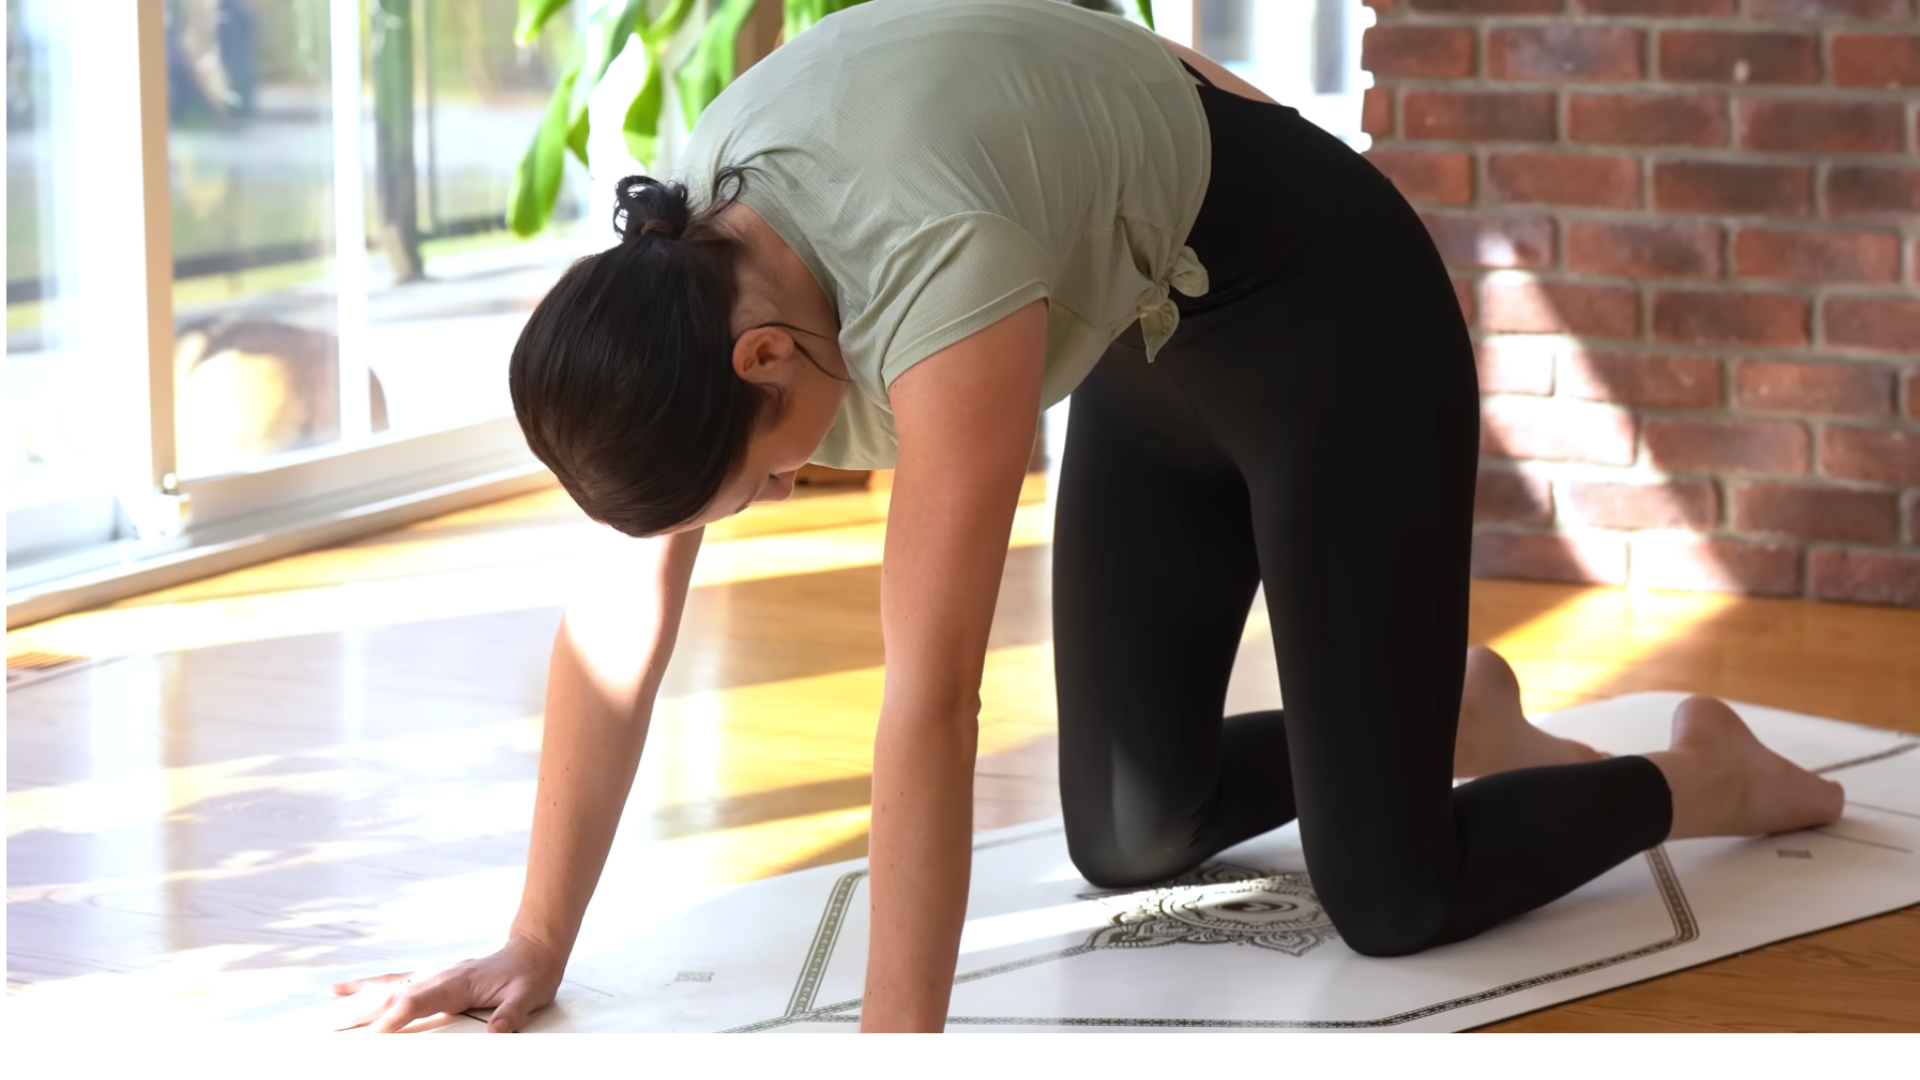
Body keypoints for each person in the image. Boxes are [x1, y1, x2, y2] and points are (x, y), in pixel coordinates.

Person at [335, 0, 1844, 1033]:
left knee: (1389, 893)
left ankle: (1692, 775)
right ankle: (1437, 716)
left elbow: (924, 707)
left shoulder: (935, 271)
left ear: (765, 359)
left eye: (771, 468)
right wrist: (536, 942)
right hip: (1146, 323)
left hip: (1324, 315)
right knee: (1134, 832)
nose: (788, 487)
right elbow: (614, 637)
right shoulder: (675, 295)